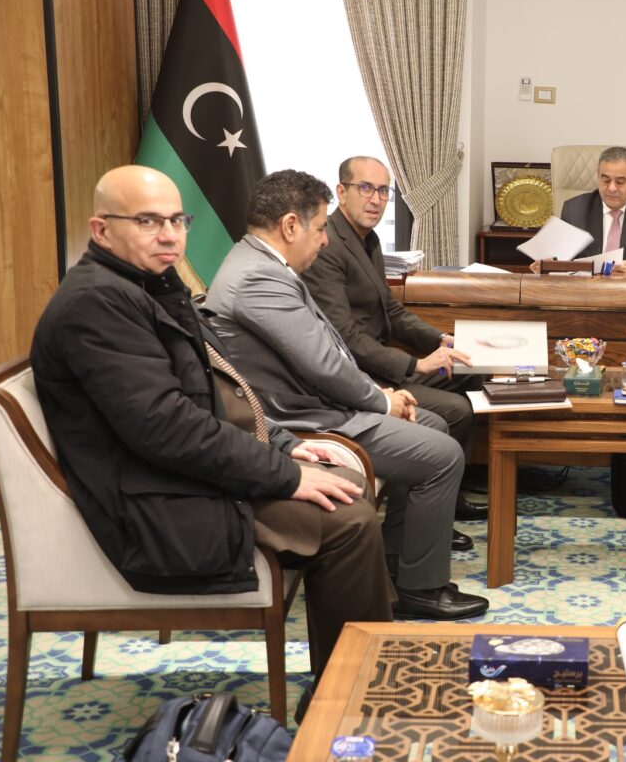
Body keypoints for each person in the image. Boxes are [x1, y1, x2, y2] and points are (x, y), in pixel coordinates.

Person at [30, 165, 394, 721]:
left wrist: (282, 444)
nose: (170, 235)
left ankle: (354, 677)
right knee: (347, 518)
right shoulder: (97, 304)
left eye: (177, 220)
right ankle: (348, 700)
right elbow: (168, 429)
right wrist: (287, 475)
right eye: (148, 222)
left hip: (176, 473)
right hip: (152, 498)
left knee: (342, 484)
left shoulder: (146, 284)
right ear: (101, 229)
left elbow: (217, 392)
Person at [205, 169, 488, 621]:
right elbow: (322, 362)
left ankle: (396, 565)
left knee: (434, 422)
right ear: (291, 226)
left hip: (317, 401)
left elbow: (326, 352)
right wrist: (382, 400)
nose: (324, 240)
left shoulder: (260, 263)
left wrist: (381, 392)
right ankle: (420, 588)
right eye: (319, 228)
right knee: (443, 453)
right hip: (304, 419)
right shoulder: (258, 278)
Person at [299, 156, 487, 525]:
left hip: (383, 362)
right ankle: (422, 514)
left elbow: (392, 312)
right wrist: (417, 364)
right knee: (457, 409)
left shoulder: (368, 239)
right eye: (366, 188)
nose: (376, 199)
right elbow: (346, 337)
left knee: (469, 371)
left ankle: (449, 496)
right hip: (363, 376)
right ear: (341, 192)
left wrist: (442, 340)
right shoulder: (328, 245)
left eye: (384, 190)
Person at [548, 145, 626, 277]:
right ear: (598, 176)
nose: (612, 188)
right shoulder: (574, 209)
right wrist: (547, 265)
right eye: (605, 180)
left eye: (620, 182)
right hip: (586, 286)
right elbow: (561, 260)